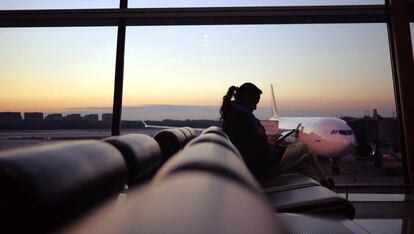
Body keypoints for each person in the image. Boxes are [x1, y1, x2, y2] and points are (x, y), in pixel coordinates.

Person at [220, 82, 333, 187]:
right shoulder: (240, 118)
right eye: (254, 103)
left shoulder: (234, 114)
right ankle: (324, 185)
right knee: (304, 148)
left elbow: (249, 144)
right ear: (245, 96)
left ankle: (320, 191)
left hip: (254, 165)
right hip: (261, 168)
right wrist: (269, 144)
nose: (255, 107)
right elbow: (254, 151)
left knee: (304, 162)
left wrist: (268, 142)